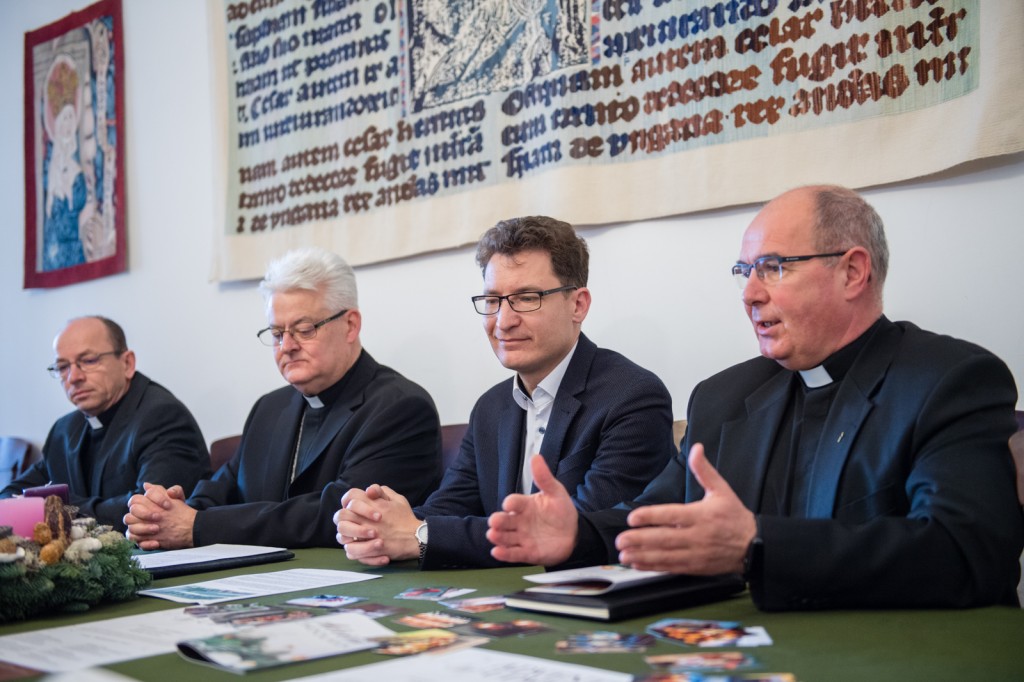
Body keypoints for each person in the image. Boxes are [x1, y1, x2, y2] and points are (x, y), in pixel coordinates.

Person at [486, 185, 1024, 610]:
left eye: (773, 267)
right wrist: (577, 534)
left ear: (852, 272)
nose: (749, 293)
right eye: (745, 271)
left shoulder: (949, 380)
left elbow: (967, 553)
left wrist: (756, 544)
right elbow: (654, 517)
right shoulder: (724, 397)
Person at [335, 216, 676, 569]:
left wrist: (419, 535)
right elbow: (447, 509)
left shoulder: (633, 397)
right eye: (493, 300)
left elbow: (580, 532)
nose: (504, 321)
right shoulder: (490, 407)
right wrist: (379, 524)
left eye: (526, 298)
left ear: (578, 305)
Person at [124, 247, 442, 549]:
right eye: (277, 334)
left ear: (350, 325)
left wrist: (196, 525)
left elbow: (335, 515)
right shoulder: (269, 408)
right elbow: (222, 488)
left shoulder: (400, 407)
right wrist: (170, 514)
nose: (287, 346)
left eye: (304, 329)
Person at [1, 316, 209, 532]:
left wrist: (53, 507)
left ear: (127, 363)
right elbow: (12, 495)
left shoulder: (162, 416)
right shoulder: (64, 430)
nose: (73, 377)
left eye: (89, 361)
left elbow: (151, 513)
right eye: (62, 367)